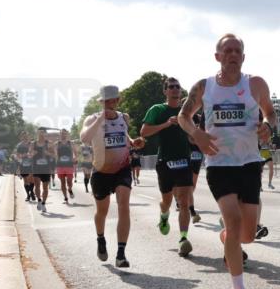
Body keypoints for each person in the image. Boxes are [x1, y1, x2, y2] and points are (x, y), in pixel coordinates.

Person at [178, 33, 277, 289]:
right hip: (219, 165)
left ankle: (227, 239)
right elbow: (184, 116)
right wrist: (195, 132)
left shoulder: (255, 84)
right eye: (227, 50)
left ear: (243, 57)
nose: (233, 54)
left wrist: (268, 126)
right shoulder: (204, 87)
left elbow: (270, 113)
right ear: (218, 56)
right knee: (233, 222)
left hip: (249, 164)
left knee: (247, 235)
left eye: (238, 50)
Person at [81, 85, 146, 268]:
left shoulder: (123, 117)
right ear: (101, 102)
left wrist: (134, 142)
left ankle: (121, 253)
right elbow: (85, 138)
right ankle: (101, 239)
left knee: (124, 206)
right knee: (102, 211)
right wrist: (100, 119)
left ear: (118, 100)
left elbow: (124, 136)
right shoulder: (92, 119)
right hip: (101, 172)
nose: (111, 103)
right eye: (107, 101)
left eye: (114, 100)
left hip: (122, 170)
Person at [141, 77, 194, 257]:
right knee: (167, 201)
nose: (174, 89)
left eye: (177, 87)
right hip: (165, 161)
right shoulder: (157, 109)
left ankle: (183, 238)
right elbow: (144, 132)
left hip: (184, 160)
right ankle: (164, 215)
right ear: (165, 91)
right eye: (171, 87)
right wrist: (167, 124)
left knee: (184, 202)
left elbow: (193, 135)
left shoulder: (186, 111)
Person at [30, 128, 54, 212]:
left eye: (43, 133)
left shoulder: (49, 143)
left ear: (45, 134)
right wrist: (32, 153)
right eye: (39, 133)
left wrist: (49, 154)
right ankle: (39, 200)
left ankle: (43, 203)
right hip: (36, 167)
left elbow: (54, 155)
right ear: (37, 133)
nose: (41, 134)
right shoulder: (33, 144)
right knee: (37, 186)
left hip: (46, 168)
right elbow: (29, 154)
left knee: (45, 187)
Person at [186, 111, 204, 224]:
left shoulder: (200, 118)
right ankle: (191, 210)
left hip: (197, 153)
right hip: (186, 152)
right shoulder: (183, 118)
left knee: (193, 184)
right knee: (187, 184)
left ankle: (185, 201)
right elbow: (190, 138)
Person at [55, 129, 77, 204]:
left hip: (69, 165)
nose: (63, 135)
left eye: (64, 134)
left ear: (66, 134)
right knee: (62, 182)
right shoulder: (57, 144)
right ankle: (65, 197)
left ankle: (70, 189)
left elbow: (75, 152)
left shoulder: (71, 143)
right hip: (60, 166)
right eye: (61, 134)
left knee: (69, 181)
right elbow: (55, 154)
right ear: (60, 135)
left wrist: (75, 157)